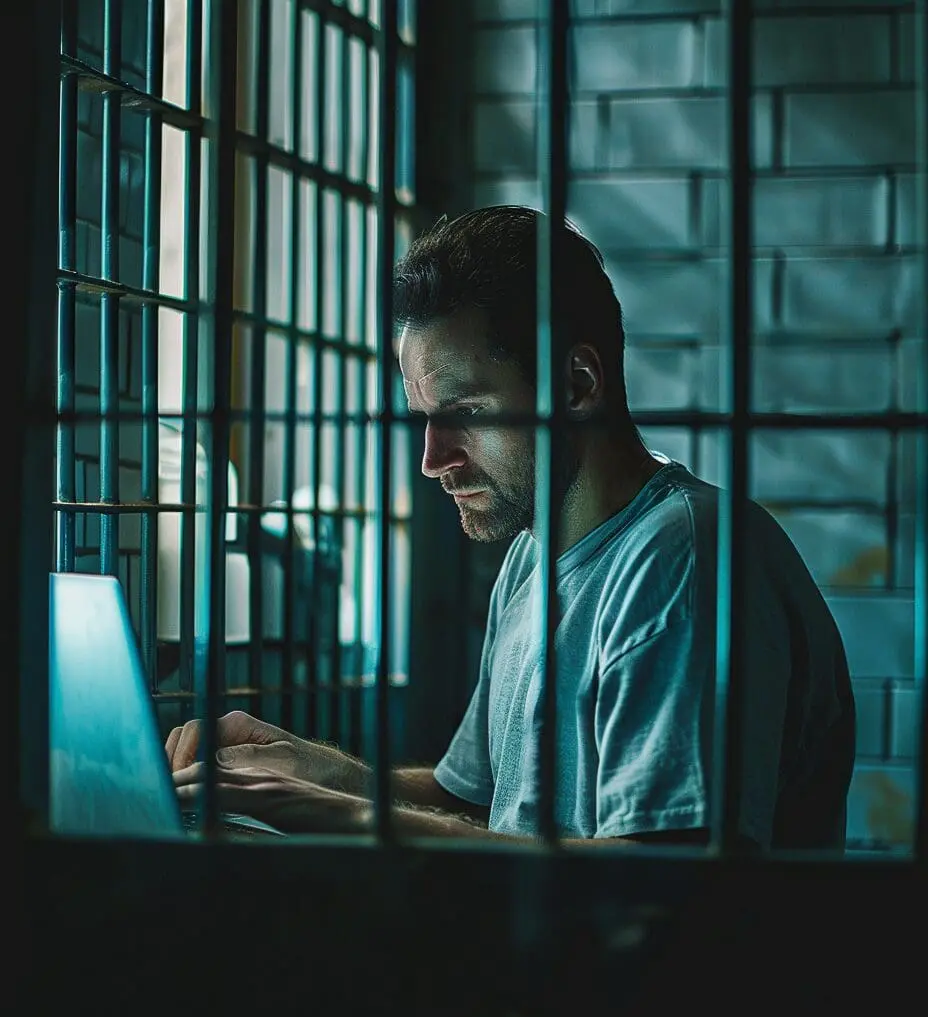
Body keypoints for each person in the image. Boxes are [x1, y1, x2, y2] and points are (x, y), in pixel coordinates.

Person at [168, 205, 855, 851]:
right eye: (425, 418)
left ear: (577, 385)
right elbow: (486, 807)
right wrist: (310, 773)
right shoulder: (534, 555)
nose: (433, 461)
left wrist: (353, 817)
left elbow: (663, 883)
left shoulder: (682, 560)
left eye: (466, 411)